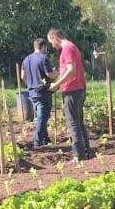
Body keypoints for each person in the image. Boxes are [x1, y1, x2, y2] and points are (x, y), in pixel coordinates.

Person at [47, 28, 91, 161]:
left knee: (73, 122)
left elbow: (71, 71)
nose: (52, 45)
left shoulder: (67, 48)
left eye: (51, 42)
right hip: (78, 88)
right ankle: (86, 152)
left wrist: (57, 84)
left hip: (72, 90)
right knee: (78, 121)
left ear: (55, 38)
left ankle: (79, 155)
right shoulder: (72, 47)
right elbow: (68, 70)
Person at [21, 37, 54, 148]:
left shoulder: (26, 59)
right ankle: (38, 142)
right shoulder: (43, 58)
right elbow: (49, 74)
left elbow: (22, 76)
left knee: (40, 116)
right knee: (42, 117)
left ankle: (45, 139)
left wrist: (30, 84)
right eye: (46, 48)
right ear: (43, 46)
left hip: (32, 92)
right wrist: (58, 73)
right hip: (43, 91)